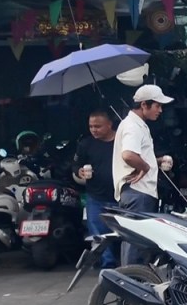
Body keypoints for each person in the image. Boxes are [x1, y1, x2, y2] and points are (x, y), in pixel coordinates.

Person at [114, 85, 173, 264]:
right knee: (135, 246)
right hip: (137, 193)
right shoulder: (133, 126)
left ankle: (134, 285)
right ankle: (130, 287)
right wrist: (146, 168)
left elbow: (137, 155)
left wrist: (155, 160)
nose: (160, 110)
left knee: (138, 245)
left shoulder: (137, 124)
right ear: (144, 105)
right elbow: (129, 155)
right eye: (157, 105)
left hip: (138, 193)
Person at [72, 111, 118, 268]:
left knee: (125, 235)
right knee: (99, 235)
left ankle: (129, 265)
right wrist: (79, 172)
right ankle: (108, 266)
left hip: (121, 196)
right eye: (91, 126)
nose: (93, 130)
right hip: (95, 197)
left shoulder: (122, 141)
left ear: (109, 125)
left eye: (98, 126)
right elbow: (76, 165)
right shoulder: (86, 144)